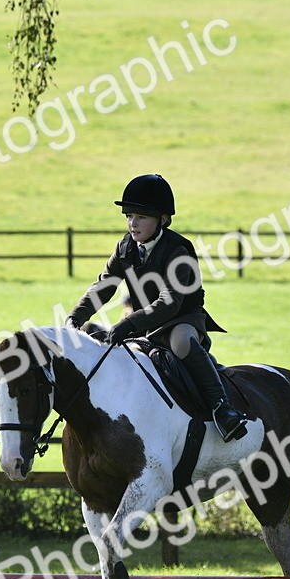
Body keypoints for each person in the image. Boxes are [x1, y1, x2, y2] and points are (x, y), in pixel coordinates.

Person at [65, 174, 248, 443]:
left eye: (141, 217)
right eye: (129, 215)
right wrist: (76, 317)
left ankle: (223, 408)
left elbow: (169, 303)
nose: (132, 223)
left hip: (182, 319)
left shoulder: (178, 250)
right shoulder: (125, 246)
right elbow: (105, 285)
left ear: (162, 219)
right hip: (145, 324)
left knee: (181, 343)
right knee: (92, 333)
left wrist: (128, 324)